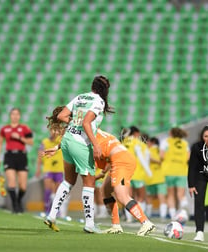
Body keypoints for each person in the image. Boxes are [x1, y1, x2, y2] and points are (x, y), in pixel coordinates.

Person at [42, 75, 111, 233]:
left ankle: (51, 215)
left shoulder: (80, 97)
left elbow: (61, 116)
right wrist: (96, 145)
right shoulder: (98, 101)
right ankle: (89, 224)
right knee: (89, 183)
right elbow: (86, 123)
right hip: (81, 144)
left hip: (67, 141)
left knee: (68, 181)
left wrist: (73, 124)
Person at [95, 129, 156, 236]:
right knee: (105, 190)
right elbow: (111, 152)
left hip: (122, 162)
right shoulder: (99, 133)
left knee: (122, 196)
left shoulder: (90, 138)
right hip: (119, 160)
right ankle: (116, 225)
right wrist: (104, 172)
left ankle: (146, 223)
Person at [0, 108, 34, 213]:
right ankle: (15, 206)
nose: (15, 116)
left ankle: (18, 200)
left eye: (17, 114)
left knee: (23, 186)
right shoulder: (4, 129)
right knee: (11, 182)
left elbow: (31, 142)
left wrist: (20, 138)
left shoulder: (24, 128)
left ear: (19, 116)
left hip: (21, 156)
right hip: (9, 156)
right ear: (10, 116)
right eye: (13, 114)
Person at [35, 128, 69, 219]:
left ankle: (56, 210)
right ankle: (46, 210)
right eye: (52, 130)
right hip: (48, 168)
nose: (54, 132)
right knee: (48, 189)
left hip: (59, 169)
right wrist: (38, 169)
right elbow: (40, 155)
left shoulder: (61, 140)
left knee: (58, 190)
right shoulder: (45, 142)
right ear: (50, 131)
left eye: (56, 130)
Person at [121, 126, 152, 222]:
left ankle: (129, 217)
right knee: (141, 196)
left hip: (124, 172)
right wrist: (148, 171)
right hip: (137, 172)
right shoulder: (137, 143)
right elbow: (141, 158)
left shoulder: (123, 141)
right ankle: (140, 217)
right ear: (136, 133)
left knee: (127, 196)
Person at [160, 127, 190, 220]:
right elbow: (188, 156)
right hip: (182, 171)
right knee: (181, 194)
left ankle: (173, 215)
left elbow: (162, 156)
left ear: (171, 133)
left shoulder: (166, 141)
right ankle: (184, 206)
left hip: (169, 171)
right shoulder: (185, 143)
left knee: (170, 194)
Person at [145, 137, 167, 219]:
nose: (147, 144)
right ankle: (163, 216)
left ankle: (148, 214)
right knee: (162, 197)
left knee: (149, 197)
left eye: (148, 142)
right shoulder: (162, 150)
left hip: (150, 178)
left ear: (153, 142)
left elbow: (149, 158)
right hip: (160, 177)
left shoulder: (149, 150)